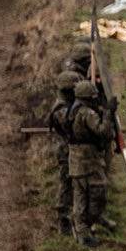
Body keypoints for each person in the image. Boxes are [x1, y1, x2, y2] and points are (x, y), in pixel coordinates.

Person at [67, 80, 116, 247]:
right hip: (89, 162)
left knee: (80, 199)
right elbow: (104, 132)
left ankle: (81, 234)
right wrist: (108, 113)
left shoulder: (71, 110)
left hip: (75, 161)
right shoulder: (87, 113)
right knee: (98, 195)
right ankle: (83, 228)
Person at [47, 71, 80, 236]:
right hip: (65, 151)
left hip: (72, 150)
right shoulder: (60, 109)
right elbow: (72, 124)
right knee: (66, 183)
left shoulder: (68, 104)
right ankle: (63, 217)